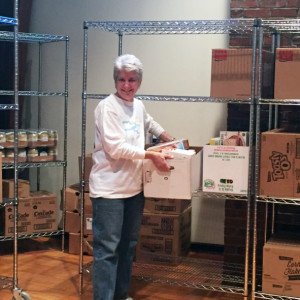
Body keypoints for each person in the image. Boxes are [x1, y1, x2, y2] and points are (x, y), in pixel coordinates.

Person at [89, 54, 175, 300]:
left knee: (127, 249)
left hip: (134, 190)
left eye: (132, 80)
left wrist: (167, 136)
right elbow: (115, 149)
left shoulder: (137, 105)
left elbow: (148, 122)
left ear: (139, 81)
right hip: (109, 191)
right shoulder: (107, 107)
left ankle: (121, 295)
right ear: (115, 81)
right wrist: (150, 155)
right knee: (107, 250)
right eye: (122, 80)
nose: (127, 85)